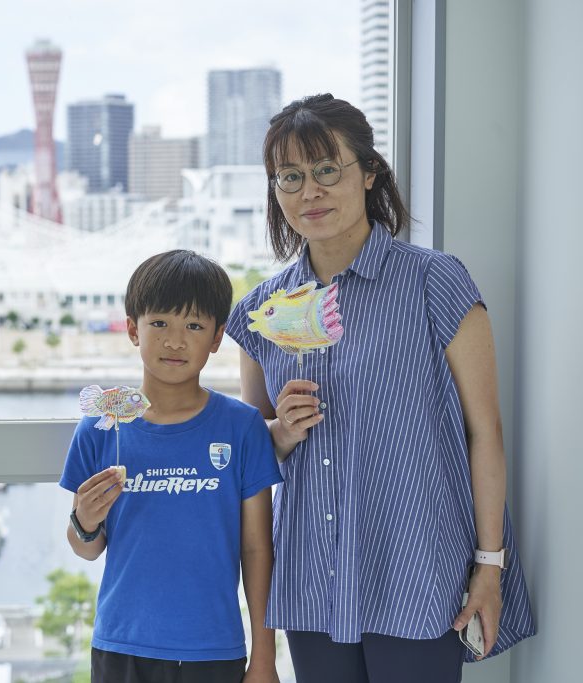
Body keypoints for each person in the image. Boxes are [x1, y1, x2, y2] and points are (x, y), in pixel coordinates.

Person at [226, 94, 535, 683]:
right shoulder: (261, 312)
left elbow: (483, 431)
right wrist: (282, 433)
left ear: (369, 173)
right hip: (313, 576)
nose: (309, 191)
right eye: (290, 177)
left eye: (326, 170)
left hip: (419, 568)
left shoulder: (434, 280)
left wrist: (489, 567)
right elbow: (253, 457)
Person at [60, 250, 284, 683]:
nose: (175, 340)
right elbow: (85, 546)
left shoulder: (242, 427)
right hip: (121, 645)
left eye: (194, 326)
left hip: (214, 649)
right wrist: (84, 520)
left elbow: (258, 550)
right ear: (132, 329)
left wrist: (264, 658)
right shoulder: (101, 428)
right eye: (159, 323)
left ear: (217, 338)